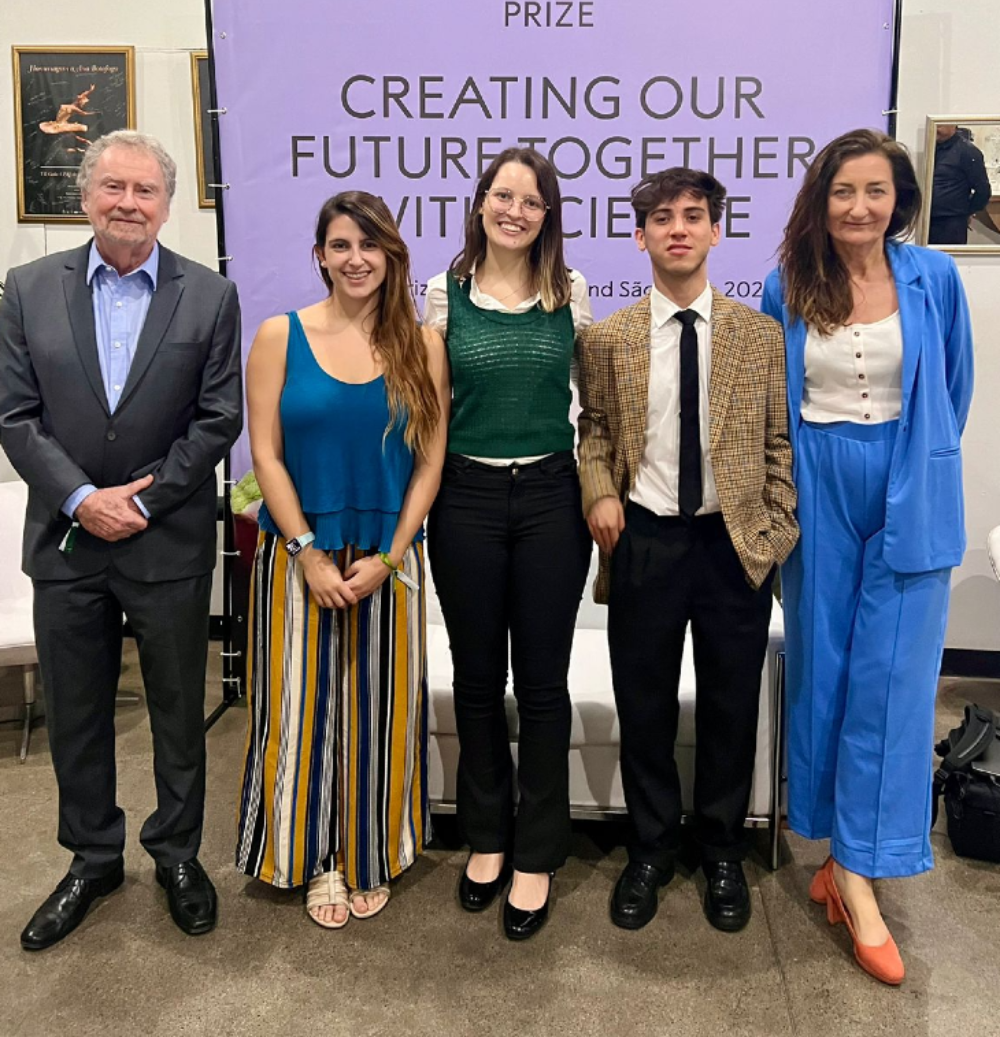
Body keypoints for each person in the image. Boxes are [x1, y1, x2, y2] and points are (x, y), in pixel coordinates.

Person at [0, 131, 242, 950]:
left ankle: (176, 852)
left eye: (145, 190)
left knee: (179, 710)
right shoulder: (27, 288)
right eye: (114, 188)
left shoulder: (209, 296)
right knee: (77, 712)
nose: (129, 202)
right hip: (67, 544)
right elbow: (14, 415)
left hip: (164, 540)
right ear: (86, 196)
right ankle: (91, 855)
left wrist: (142, 501)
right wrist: (79, 497)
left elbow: (217, 417)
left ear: (168, 204)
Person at [762, 129, 974, 986]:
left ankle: (861, 869)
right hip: (818, 483)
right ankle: (836, 848)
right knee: (827, 669)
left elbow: (951, 390)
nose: (859, 207)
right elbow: (779, 392)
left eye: (875, 191)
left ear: (900, 199)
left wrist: (914, 470)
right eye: (843, 190)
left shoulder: (936, 279)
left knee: (893, 683)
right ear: (822, 197)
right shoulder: (789, 281)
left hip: (908, 484)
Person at [578, 168, 798, 935]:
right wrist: (599, 490)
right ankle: (650, 847)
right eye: (662, 217)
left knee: (732, 705)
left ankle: (723, 848)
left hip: (732, 542)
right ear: (639, 236)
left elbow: (779, 442)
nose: (678, 228)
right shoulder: (607, 338)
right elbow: (595, 432)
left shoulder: (758, 335)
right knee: (644, 704)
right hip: (644, 540)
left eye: (693, 215)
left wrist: (773, 532)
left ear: (714, 231)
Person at [237, 191, 449, 929]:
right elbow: (263, 451)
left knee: (382, 713)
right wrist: (305, 553)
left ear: (392, 254)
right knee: (298, 709)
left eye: (370, 243)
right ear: (319, 255)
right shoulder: (278, 335)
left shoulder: (423, 343)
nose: (356, 257)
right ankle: (311, 857)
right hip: (301, 553)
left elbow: (431, 461)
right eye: (340, 244)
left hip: (388, 558)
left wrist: (391, 557)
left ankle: (370, 853)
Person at [424, 146, 593, 941]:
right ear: (481, 202)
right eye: (503, 195)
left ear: (548, 213)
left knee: (544, 685)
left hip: (553, 498)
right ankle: (485, 836)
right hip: (466, 499)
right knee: (478, 677)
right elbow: (429, 417)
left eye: (531, 199)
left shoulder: (572, 293)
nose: (515, 210)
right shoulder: (442, 294)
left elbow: (594, 411)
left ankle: (537, 850)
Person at [928, 121, 991, 245]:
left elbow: (983, 190)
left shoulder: (968, 152)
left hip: (950, 223)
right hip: (925, 219)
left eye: (940, 125)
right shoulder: (927, 146)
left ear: (953, 124)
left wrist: (966, 212)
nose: (936, 129)